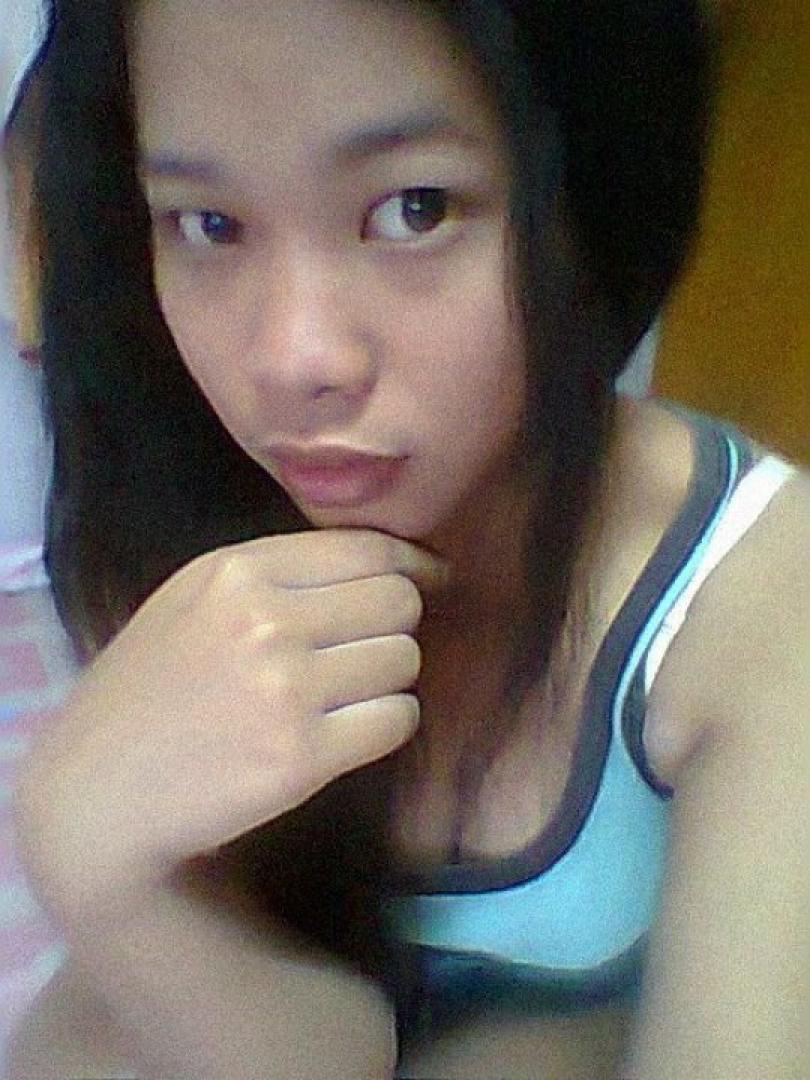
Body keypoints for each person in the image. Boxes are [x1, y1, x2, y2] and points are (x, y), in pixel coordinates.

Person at [4, 1, 809, 1077]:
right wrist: (91, 861)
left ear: (592, 188)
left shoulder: (760, 600)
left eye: (414, 209)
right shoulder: (184, 500)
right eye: (207, 224)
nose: (295, 361)